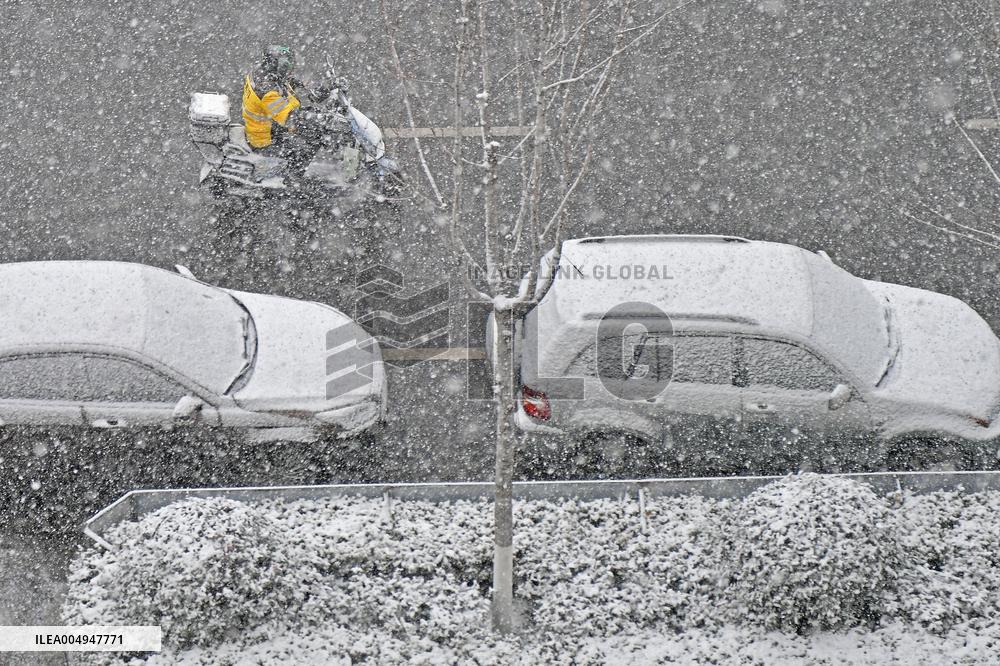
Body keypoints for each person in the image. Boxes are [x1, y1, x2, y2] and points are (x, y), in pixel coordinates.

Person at [241, 45, 345, 158]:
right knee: (307, 144)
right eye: (286, 66)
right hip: (265, 140)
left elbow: (299, 85)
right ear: (275, 64)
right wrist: (323, 120)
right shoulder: (266, 91)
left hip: (273, 128)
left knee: (313, 127)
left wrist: (327, 87)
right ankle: (286, 170)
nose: (290, 70)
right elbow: (291, 119)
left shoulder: (266, 74)